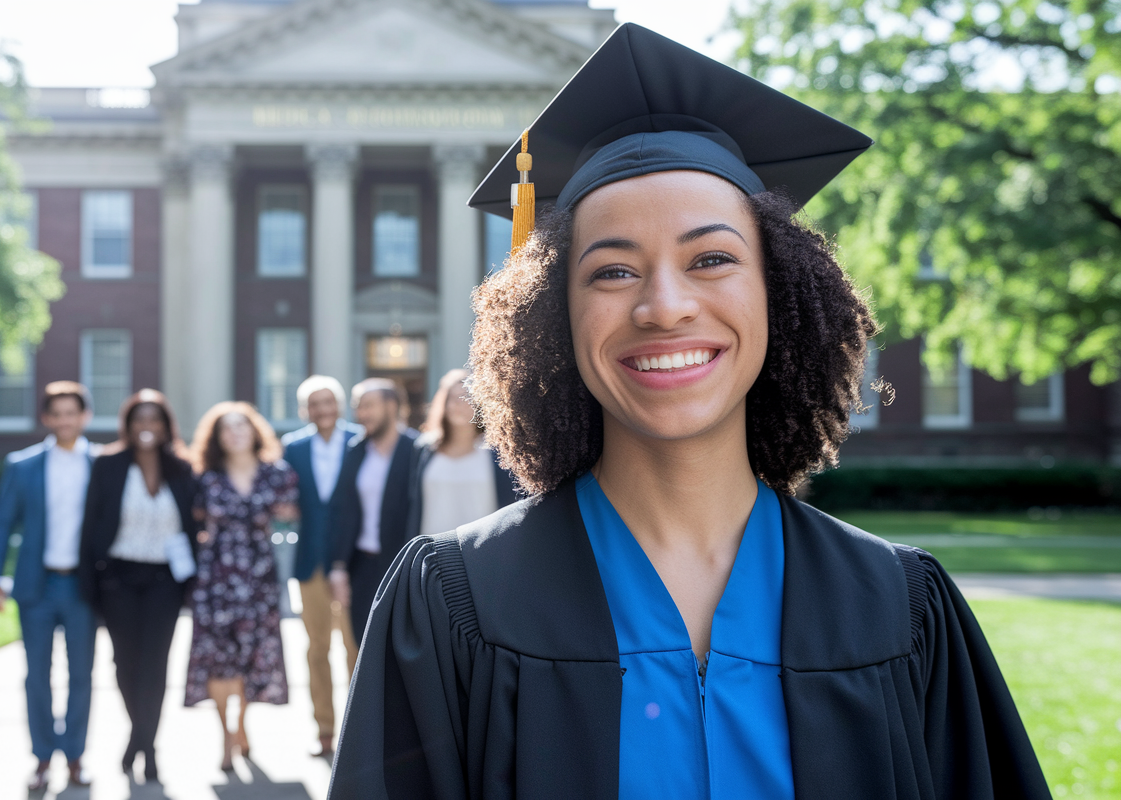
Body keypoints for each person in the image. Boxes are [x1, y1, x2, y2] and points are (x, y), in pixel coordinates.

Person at [329, 23, 1050, 800]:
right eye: (611, 271)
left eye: (711, 258)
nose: (664, 307)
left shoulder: (901, 608)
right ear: (551, 319)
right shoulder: (454, 604)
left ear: (779, 291)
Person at [78, 389, 198, 785]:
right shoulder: (108, 464)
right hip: (119, 579)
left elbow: (193, 526)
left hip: (164, 580)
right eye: (139, 420)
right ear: (128, 425)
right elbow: (91, 524)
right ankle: (140, 737)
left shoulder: (181, 469)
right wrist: (89, 580)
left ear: (166, 427)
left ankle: (147, 746)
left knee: (156, 665)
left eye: (155, 420)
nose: (147, 427)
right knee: (125, 664)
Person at [0, 381, 97, 792]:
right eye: (58, 413)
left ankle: (75, 754)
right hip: (36, 585)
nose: (65, 420)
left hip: (82, 588)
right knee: (37, 676)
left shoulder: (101, 463)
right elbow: (2, 524)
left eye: (73, 413)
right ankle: (41, 756)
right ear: (47, 419)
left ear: (84, 417)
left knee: (82, 675)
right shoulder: (23, 464)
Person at [184, 401, 299, 770]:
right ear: (216, 438)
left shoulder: (276, 473)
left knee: (251, 656)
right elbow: (194, 519)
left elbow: (292, 511)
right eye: (226, 429)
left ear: (254, 432)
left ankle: (242, 725)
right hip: (216, 577)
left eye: (241, 426)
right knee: (219, 660)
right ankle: (224, 736)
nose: (234, 434)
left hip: (259, 575)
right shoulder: (206, 477)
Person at [281, 375, 360, 758]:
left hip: (352, 560)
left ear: (340, 405)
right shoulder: (292, 448)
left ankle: (357, 727)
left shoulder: (359, 442)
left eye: (329, 402)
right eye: (315, 404)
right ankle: (325, 728)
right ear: (304, 410)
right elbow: (284, 501)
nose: (323, 410)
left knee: (354, 647)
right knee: (316, 648)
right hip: (310, 560)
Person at [326, 378, 418, 646]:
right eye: (358, 407)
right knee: (363, 645)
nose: (361, 414)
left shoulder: (418, 449)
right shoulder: (356, 450)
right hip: (362, 566)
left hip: (403, 565)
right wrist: (339, 566)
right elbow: (342, 511)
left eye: (369, 406)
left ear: (392, 406)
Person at [405, 368, 519, 541]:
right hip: (433, 551)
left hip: (482, 552)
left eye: (468, 397)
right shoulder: (425, 448)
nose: (461, 403)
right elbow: (413, 507)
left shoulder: (497, 452)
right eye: (454, 398)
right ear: (444, 404)